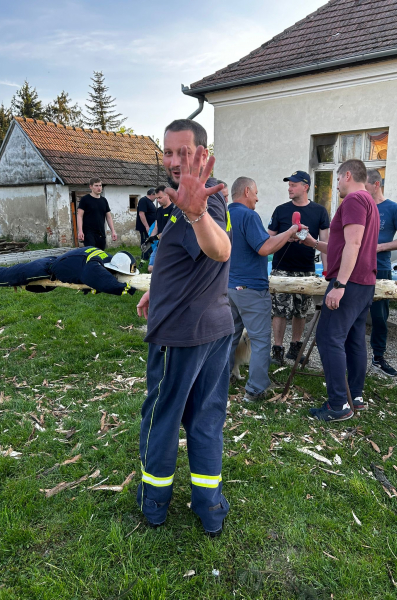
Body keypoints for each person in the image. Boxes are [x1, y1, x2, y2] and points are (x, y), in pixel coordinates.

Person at [136, 119, 233, 536]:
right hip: (213, 327)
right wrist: (155, 290)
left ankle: (154, 505)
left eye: (184, 152)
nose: (174, 160)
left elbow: (220, 249)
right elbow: (186, 261)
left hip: (181, 334)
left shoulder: (202, 201)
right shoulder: (183, 201)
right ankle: (210, 509)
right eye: (168, 151)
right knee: (205, 419)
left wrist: (196, 214)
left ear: (202, 154)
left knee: (162, 418)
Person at [300, 159, 379, 422]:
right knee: (354, 339)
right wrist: (313, 243)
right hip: (364, 282)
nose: (336, 185)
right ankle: (354, 396)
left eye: (336, 179)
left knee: (328, 337)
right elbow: (343, 246)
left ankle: (338, 404)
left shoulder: (354, 200)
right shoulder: (369, 202)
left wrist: (339, 284)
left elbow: (353, 244)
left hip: (350, 282)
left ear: (347, 175)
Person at [228, 176, 301, 402]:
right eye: (256, 193)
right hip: (251, 289)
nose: (257, 199)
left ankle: (222, 377)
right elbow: (264, 248)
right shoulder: (249, 215)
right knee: (260, 341)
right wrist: (290, 231)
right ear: (246, 191)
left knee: (229, 337)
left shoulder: (224, 214)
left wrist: (283, 238)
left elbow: (254, 242)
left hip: (229, 288)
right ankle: (255, 390)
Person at [268, 171, 330, 365]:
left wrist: (327, 273)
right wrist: (286, 236)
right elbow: (268, 239)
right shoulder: (280, 210)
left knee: (301, 311)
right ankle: (277, 350)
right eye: (289, 185)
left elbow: (326, 245)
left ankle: (295, 348)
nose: (289, 188)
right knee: (279, 310)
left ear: (305, 187)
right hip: (281, 268)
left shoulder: (320, 211)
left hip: (306, 269)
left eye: (293, 185)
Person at [365, 169, 397, 377]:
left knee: (379, 316)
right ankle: (350, 357)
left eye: (365, 185)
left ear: (376, 184)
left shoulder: (394, 209)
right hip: (355, 268)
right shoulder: (359, 206)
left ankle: (378, 357)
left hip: (380, 268)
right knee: (351, 313)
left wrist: (379, 247)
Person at [0, 247, 138, 296]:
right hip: (47, 268)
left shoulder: (107, 258)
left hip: (57, 262)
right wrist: (121, 288)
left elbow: (101, 275)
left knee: (24, 280)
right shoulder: (94, 265)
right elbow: (98, 277)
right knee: (12, 275)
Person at [77, 178, 117, 250]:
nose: (99, 188)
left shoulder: (104, 200)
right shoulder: (85, 199)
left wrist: (113, 231)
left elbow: (108, 217)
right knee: (91, 253)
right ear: (91, 187)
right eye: (96, 186)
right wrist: (80, 231)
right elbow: (79, 216)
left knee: (101, 254)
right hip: (89, 233)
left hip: (101, 233)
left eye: (100, 185)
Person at [147, 185, 175, 274]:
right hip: (160, 245)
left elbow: (171, 229)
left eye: (160, 198)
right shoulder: (159, 210)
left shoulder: (174, 210)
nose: (158, 200)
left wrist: (156, 237)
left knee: (166, 270)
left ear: (167, 195)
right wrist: (150, 239)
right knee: (151, 268)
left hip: (171, 246)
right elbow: (156, 227)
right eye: (156, 198)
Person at [136, 188, 157, 261]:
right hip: (145, 228)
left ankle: (149, 258)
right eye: (156, 196)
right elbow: (141, 214)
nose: (156, 198)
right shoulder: (143, 200)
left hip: (151, 227)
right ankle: (144, 259)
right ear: (152, 194)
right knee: (145, 242)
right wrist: (147, 226)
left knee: (150, 242)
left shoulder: (150, 202)